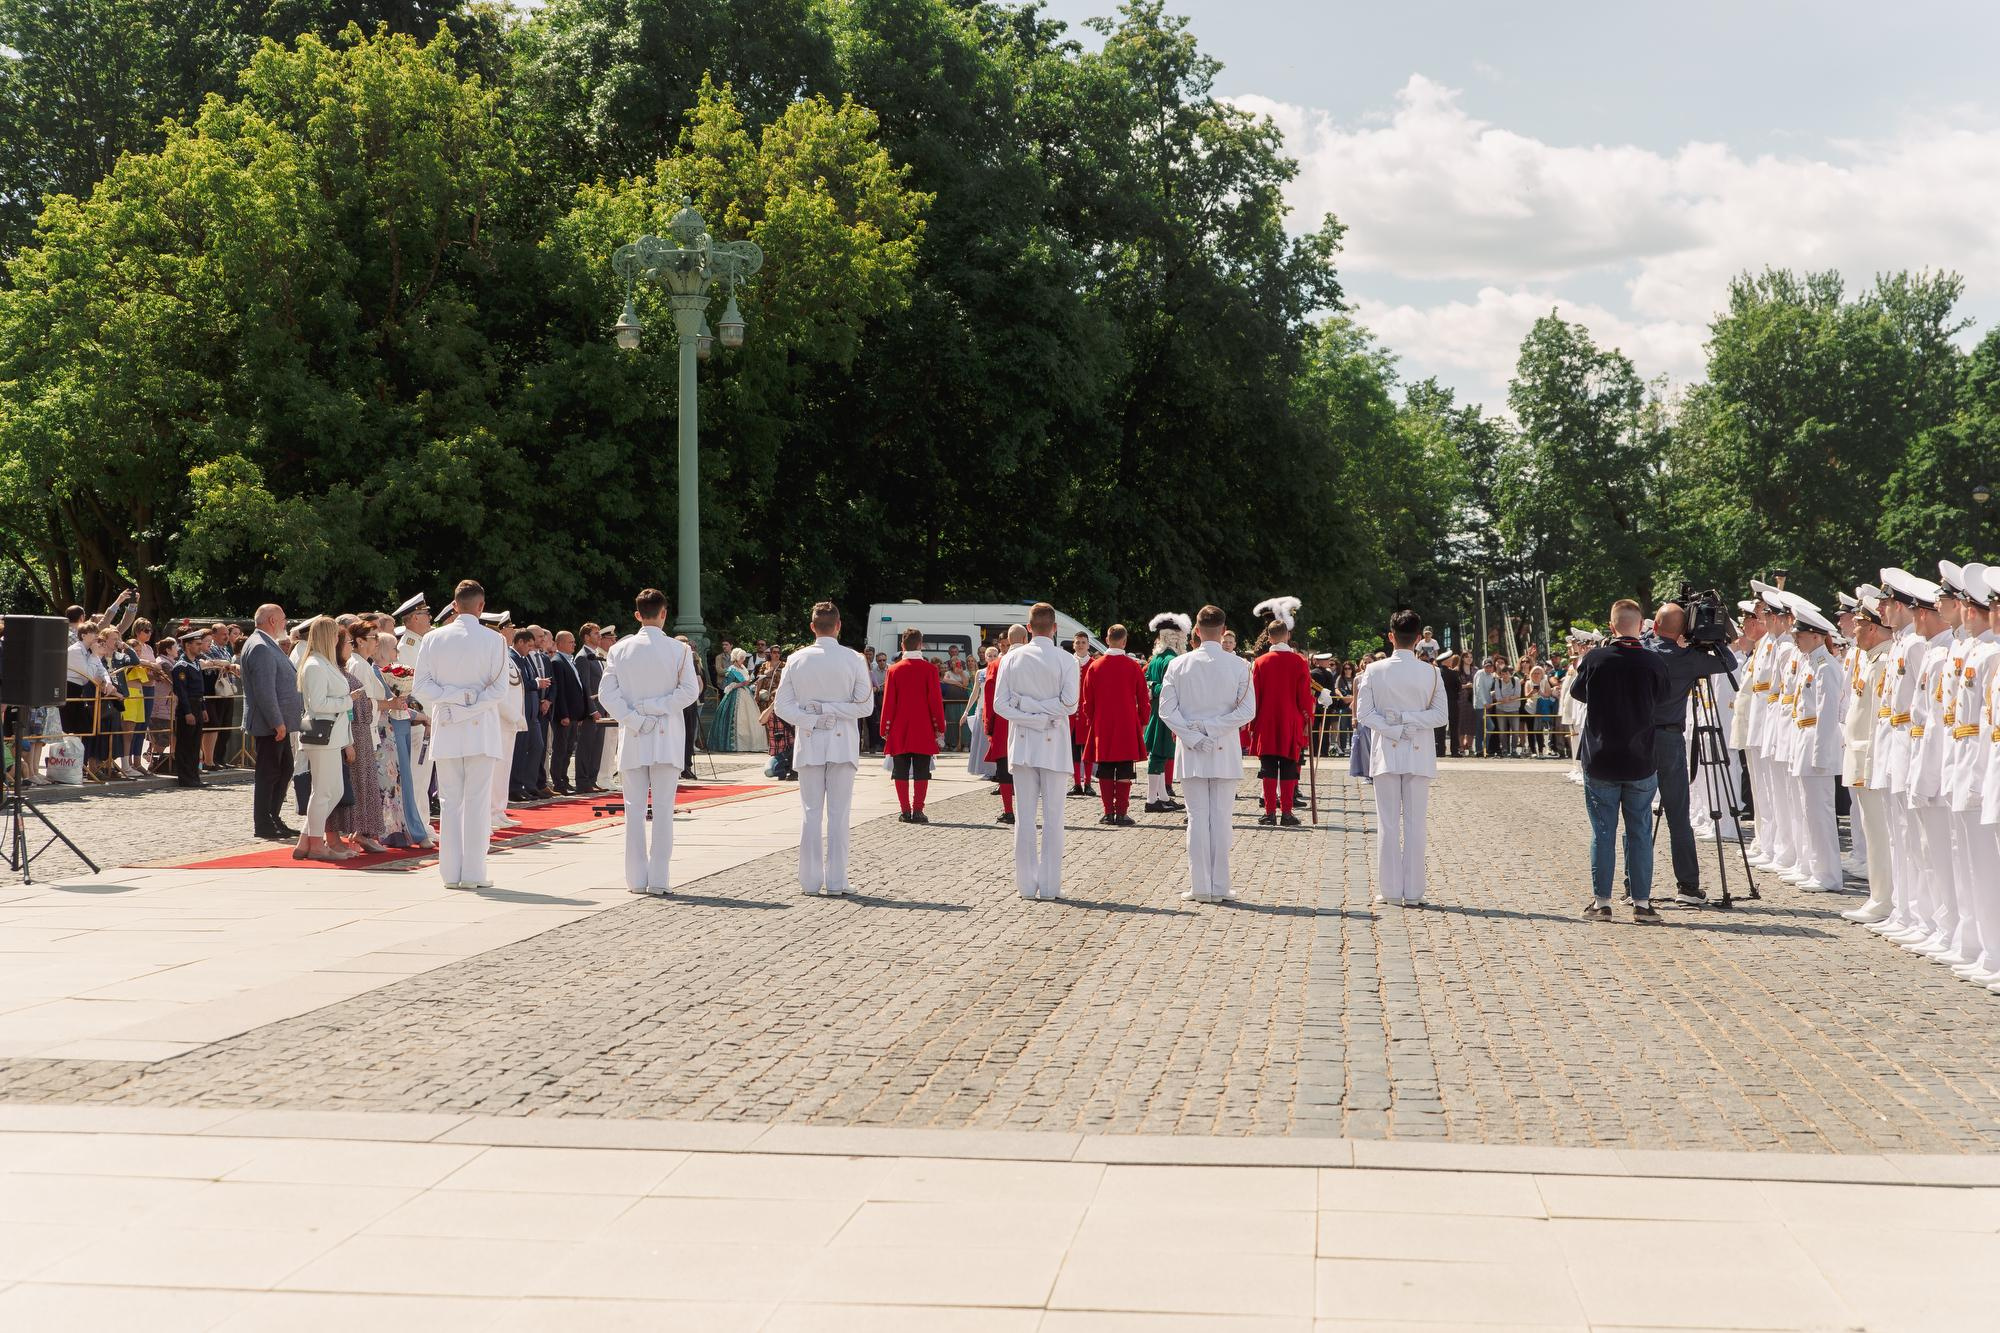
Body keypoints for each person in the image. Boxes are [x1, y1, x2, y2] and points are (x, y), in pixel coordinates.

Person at [594, 590, 702, 894]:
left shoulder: (620, 649)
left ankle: (636, 880)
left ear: (637, 614)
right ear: (664, 613)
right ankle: (658, 879)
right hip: (665, 735)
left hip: (635, 735)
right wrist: (657, 707)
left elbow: (607, 695)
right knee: (664, 809)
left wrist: (636, 715)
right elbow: (689, 692)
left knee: (634, 810)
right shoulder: (678, 650)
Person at [1571, 599, 1670, 923]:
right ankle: (1641, 902)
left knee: (1603, 832)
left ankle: (1602, 903)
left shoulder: (1596, 658)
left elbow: (1579, 693)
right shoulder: (1653, 662)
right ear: (1641, 627)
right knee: (1640, 830)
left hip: (1601, 757)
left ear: (1612, 627)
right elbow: (1663, 697)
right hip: (1640, 757)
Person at [413, 581, 509, 890]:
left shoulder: (433, 638)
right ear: (481, 606)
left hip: (448, 725)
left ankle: (450, 873)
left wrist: (454, 700)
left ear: (454, 606)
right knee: (476, 801)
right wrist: (469, 702)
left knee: (450, 800)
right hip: (479, 727)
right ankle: (473, 872)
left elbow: (422, 687)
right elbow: (498, 690)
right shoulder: (494, 640)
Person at [774, 602, 875, 895]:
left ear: (812, 627)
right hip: (841, 741)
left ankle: (809, 881)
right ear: (839, 625)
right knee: (839, 814)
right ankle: (836, 881)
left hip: (810, 740)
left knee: (811, 812)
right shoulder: (854, 659)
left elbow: (782, 706)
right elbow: (865, 706)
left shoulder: (796, 659)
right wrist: (827, 713)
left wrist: (813, 717)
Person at [1158, 604, 1257, 903]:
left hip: (1191, 748)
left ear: (1197, 632)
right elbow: (1247, 711)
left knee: (1197, 818)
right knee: (1221, 818)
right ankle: (1220, 885)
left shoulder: (1178, 664)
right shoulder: (1239, 665)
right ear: (1223, 630)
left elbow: (1166, 710)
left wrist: (1193, 733)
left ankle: (1201, 885)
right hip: (1223, 747)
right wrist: (1212, 728)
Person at [1643, 600, 1740, 904]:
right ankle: (1687, 885)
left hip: (1639, 739)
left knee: (1637, 814)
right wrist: (1706, 639)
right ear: (1683, 629)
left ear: (1656, 626)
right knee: (1678, 816)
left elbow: (1645, 637)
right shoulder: (1689, 659)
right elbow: (1729, 661)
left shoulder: (1645, 651)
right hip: (1670, 740)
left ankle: (1634, 885)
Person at [1354, 611, 1451, 907]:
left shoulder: (1373, 671)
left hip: (1386, 750)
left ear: (1391, 636)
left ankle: (1392, 891)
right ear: (1420, 638)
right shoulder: (1431, 672)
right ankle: (1414, 891)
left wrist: (1396, 726)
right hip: (1418, 751)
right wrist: (1407, 724)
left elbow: (1365, 716)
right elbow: (1440, 716)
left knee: (1388, 823)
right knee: (1415, 823)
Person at [993, 604, 1081, 901]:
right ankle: (1051, 885)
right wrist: (1042, 715)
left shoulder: (1011, 658)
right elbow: (1069, 705)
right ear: (1054, 628)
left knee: (1025, 817)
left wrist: (1028, 708)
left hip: (1023, 743)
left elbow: (1001, 706)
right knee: (1054, 817)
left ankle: (1027, 886)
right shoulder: (1066, 659)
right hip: (1053, 742)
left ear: (1029, 628)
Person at [1840, 593, 1897, 924]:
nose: (1854, 630)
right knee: (1871, 829)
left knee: (1879, 832)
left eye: (1859, 624)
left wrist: (1874, 765)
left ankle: (1883, 898)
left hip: (1871, 760)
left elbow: (1881, 721)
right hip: (1862, 756)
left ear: (1874, 628)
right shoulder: (1872, 659)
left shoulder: (1885, 661)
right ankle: (1879, 895)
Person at [1784, 605, 1845, 892]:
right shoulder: (1810, 663)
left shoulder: (1826, 667)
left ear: (1818, 636)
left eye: (1801, 634)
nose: (1796, 638)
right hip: (1803, 740)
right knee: (1808, 811)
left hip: (1816, 744)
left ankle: (1829, 874)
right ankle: (1815, 867)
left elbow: (1828, 714)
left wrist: (1821, 755)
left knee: (1819, 812)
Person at [293, 617, 357, 863]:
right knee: (323, 792)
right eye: (334, 635)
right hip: (322, 735)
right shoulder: (315, 665)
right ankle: (316, 844)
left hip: (332, 735)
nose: (337, 640)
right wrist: (348, 701)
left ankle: (306, 839)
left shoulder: (322, 663)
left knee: (332, 790)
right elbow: (318, 704)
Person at [1249, 597, 1313, 826]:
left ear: (1269, 637)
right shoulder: (1299, 662)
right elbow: (1305, 697)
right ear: (1287, 636)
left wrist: (1252, 724)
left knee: (1267, 767)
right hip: (1291, 721)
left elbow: (1254, 696)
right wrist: (1308, 718)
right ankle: (1286, 812)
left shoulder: (1260, 663)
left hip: (1266, 720)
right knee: (1288, 766)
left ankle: (1269, 812)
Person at [240, 604, 302, 840]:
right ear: (273, 620)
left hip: (277, 723)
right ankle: (264, 822)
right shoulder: (260, 646)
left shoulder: (265, 643)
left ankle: (273, 817)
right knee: (269, 773)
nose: (286, 623)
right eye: (284, 618)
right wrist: (277, 722)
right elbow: (264, 690)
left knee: (284, 769)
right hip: (270, 724)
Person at [1079, 623, 1150, 825]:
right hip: (1127, 724)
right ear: (1125, 641)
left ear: (1107, 640)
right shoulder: (1133, 666)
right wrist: (1143, 721)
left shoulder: (1094, 666)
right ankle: (1122, 812)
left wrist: (1093, 721)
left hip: (1102, 724)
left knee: (1106, 769)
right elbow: (1143, 699)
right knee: (1125, 769)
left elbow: (1087, 701)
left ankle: (1108, 812)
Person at [879, 628, 945, 823]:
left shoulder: (893, 670)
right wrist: (939, 727)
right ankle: (918, 810)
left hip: (899, 728)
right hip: (923, 728)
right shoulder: (930, 669)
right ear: (920, 645)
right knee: (922, 770)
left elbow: (888, 701)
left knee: (899, 771)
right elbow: (935, 701)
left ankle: (905, 811)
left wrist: (885, 727)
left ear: (902, 645)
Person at [1142, 613, 1188, 813]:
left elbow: (1148, 683)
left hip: (1157, 711)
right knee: (1159, 756)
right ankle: (1152, 799)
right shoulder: (1171, 659)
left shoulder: (1156, 659)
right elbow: (1168, 689)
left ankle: (1162, 796)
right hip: (1166, 712)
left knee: (1158, 755)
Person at [545, 630, 588, 794]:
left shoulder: (569, 661)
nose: (574, 644)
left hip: (574, 715)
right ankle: (558, 782)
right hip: (564, 716)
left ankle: (564, 779)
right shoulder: (557, 661)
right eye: (570, 642)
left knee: (569, 749)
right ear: (560, 644)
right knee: (560, 749)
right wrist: (563, 715)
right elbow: (560, 691)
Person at [983, 635, 1019, 822]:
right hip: (1031, 722)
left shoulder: (996, 665)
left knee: (1004, 768)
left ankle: (1009, 811)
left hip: (1004, 723)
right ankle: (1023, 813)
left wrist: (988, 725)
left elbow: (990, 697)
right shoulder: (1034, 661)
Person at [169, 631, 211, 788]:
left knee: (194, 744)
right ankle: (185, 777)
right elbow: (182, 692)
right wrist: (187, 712)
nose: (200, 647)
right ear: (187, 645)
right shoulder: (181, 666)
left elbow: (199, 689)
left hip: (197, 705)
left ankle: (194, 775)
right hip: (187, 706)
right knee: (185, 744)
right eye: (197, 644)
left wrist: (203, 708)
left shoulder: (195, 664)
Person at [572, 624, 609, 792]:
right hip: (590, 710)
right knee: (586, 746)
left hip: (601, 708)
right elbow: (584, 686)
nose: (599, 636)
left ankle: (592, 780)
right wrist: (592, 709)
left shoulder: (597, 655)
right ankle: (583, 781)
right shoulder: (583, 657)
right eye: (596, 633)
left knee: (597, 746)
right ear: (586, 637)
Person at [706, 648, 759, 753]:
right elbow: (727, 685)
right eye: (741, 658)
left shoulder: (743, 667)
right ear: (736, 658)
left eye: (744, 658)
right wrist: (739, 684)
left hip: (746, 693)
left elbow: (746, 680)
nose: (743, 660)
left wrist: (751, 682)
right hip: (735, 695)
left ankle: (750, 744)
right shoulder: (731, 669)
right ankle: (736, 744)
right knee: (736, 719)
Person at [1067, 630, 1096, 796]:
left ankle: (1088, 783)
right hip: (1071, 715)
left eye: (1083, 642)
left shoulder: (1093, 664)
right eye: (1077, 642)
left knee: (1087, 750)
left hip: (1087, 715)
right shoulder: (1068, 662)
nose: (1080, 645)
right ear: (1073, 644)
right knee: (1073, 750)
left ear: (1088, 645)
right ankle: (1077, 783)